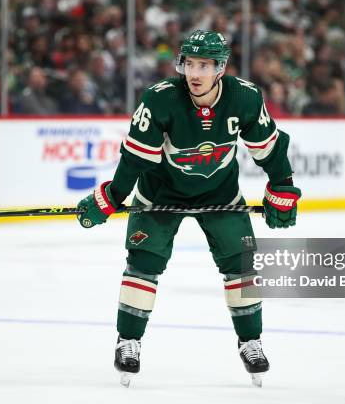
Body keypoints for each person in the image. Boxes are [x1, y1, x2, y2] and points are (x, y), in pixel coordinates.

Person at [76, 30, 301, 388]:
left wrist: (283, 187)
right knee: (144, 262)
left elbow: (269, 150)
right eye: (190, 63)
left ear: (220, 68)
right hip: (161, 195)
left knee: (240, 263)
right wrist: (112, 197)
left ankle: (251, 342)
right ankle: (128, 341)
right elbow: (134, 160)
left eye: (205, 65)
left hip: (221, 195)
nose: (194, 73)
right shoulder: (160, 99)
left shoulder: (245, 97)